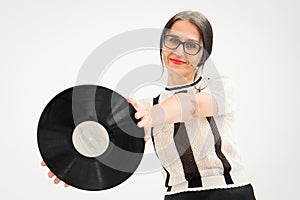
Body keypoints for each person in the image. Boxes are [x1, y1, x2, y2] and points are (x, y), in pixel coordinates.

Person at [42, 10, 256, 200]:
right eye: (173, 41)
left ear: (204, 53)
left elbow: (192, 106)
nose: (179, 52)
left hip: (230, 194)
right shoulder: (146, 107)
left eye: (191, 45)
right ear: (163, 43)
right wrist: (71, 164)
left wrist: (153, 115)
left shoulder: (221, 86)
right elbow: (112, 147)